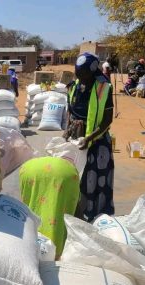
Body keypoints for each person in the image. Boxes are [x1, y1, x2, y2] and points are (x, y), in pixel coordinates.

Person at [64, 52, 114, 222]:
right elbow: (70, 112)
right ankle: (76, 216)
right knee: (74, 179)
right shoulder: (74, 86)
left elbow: (107, 120)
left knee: (95, 182)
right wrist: (67, 130)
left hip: (97, 142)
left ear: (93, 72)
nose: (80, 78)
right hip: (76, 139)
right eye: (78, 74)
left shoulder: (104, 88)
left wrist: (89, 138)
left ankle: (96, 218)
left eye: (84, 75)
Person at [19, 156, 80, 258]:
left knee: (32, 203)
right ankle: (58, 251)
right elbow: (76, 204)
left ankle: (36, 242)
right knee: (63, 208)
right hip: (66, 171)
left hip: (29, 169)